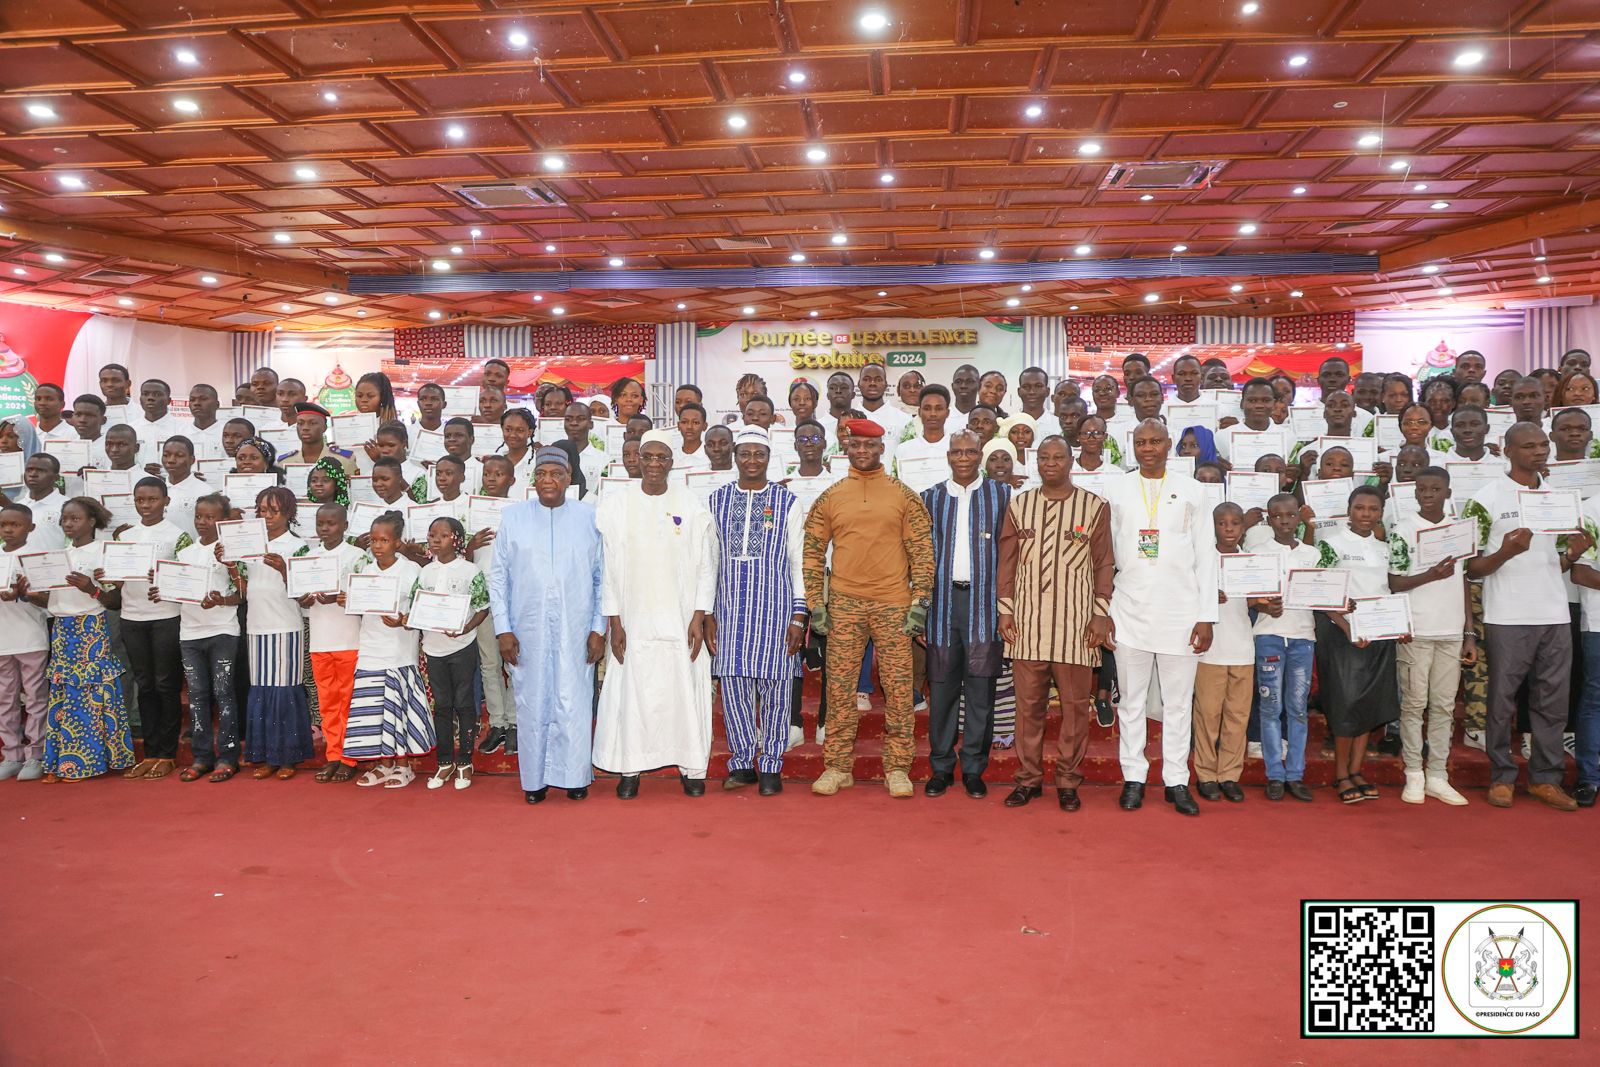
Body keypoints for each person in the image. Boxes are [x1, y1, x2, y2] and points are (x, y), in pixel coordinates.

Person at [802, 419, 934, 799]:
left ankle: (897, 767)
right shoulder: (831, 496)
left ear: (882, 449)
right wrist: (816, 604)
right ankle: (837, 767)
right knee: (840, 690)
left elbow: (922, 553)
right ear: (847, 447)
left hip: (894, 605)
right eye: (855, 445)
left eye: (869, 446)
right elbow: (812, 553)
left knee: (898, 690)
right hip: (843, 605)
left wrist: (919, 601)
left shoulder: (904, 496)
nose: (862, 451)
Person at [1100, 418, 1218, 816]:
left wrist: (1206, 616)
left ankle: (1176, 780)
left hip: (1181, 614)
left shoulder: (1194, 491)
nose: (1148, 448)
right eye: (1141, 442)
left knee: (1178, 704)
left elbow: (1207, 556)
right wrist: (1106, 611)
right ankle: (1133, 776)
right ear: (1132, 445)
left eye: (1155, 441)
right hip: (1130, 609)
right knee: (1131, 702)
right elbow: (1105, 557)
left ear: (1169, 444)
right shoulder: (1115, 490)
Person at [1462, 422, 1580, 810]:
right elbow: (1471, 568)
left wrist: (1574, 554)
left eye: (1542, 444)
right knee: (1502, 699)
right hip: (1507, 614)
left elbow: (1555, 561)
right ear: (1507, 450)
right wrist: (1505, 553)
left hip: (1554, 613)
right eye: (1528, 446)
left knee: (1552, 701)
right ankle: (1502, 776)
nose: (1539, 451)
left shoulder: (1559, 497)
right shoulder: (1486, 499)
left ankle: (1545, 779)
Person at [593, 432, 717, 799]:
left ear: (672, 462)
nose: (654, 464)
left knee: (684, 688)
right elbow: (609, 569)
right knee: (633, 690)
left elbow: (706, 566)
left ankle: (691, 766)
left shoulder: (691, 504)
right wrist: (614, 621)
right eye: (648, 456)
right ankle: (630, 768)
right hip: (633, 617)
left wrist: (699, 614)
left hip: (680, 618)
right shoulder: (617, 505)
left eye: (662, 457)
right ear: (636, 459)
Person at [993, 435, 1113, 810]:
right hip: (1026, 622)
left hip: (1075, 625)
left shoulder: (1094, 507)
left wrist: (1100, 614)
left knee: (1075, 707)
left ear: (1070, 461)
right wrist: (1005, 610)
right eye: (1043, 458)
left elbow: (1104, 563)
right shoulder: (1020, 505)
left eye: (1057, 457)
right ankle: (1027, 779)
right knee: (1028, 707)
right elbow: (1007, 562)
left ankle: (1067, 780)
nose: (1050, 464)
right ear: (1036, 463)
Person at [489, 447, 603, 805]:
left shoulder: (589, 517)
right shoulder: (513, 518)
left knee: (574, 698)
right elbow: (498, 578)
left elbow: (603, 577)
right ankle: (534, 780)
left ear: (569, 479)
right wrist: (503, 629)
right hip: (526, 627)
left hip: (577, 625)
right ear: (533, 479)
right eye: (542, 475)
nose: (548, 481)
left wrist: (598, 628)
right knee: (531, 700)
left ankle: (574, 775)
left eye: (556, 474)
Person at [707, 428, 806, 796]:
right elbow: (709, 561)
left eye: (758, 454)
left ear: (769, 457)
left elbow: (798, 562)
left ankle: (771, 766)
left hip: (776, 610)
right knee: (734, 691)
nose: (751, 460)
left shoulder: (787, 502)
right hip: (730, 611)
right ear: (735, 456)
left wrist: (799, 615)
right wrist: (707, 613)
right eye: (745, 453)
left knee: (778, 689)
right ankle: (743, 763)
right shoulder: (715, 501)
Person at [921, 430, 1008, 799]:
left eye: (971, 451)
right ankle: (941, 767)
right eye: (957, 451)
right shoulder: (930, 499)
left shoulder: (1003, 496)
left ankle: (973, 768)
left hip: (985, 607)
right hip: (941, 607)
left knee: (980, 692)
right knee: (941, 691)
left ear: (980, 454)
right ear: (948, 455)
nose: (963, 457)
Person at [1386, 467, 1472, 805]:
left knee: (1444, 706)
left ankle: (1438, 774)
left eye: (1436, 488)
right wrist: (1431, 575)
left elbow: (1463, 580)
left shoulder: (1461, 530)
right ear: (1415, 493)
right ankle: (1413, 773)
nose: (1428, 494)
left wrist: (1468, 632)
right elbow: (1395, 583)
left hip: (1451, 631)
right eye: (1422, 489)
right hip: (1416, 630)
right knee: (1413, 704)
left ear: (1448, 493)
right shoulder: (1403, 530)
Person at [36, 497, 134, 782]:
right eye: (65, 519)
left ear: (92, 521)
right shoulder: (57, 556)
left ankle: (91, 761)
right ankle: (60, 761)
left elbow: (114, 600)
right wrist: (29, 592)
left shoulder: (102, 552)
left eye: (75, 518)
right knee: (65, 695)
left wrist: (91, 588)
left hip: (90, 628)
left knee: (91, 696)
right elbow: (50, 598)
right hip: (62, 628)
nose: (68, 523)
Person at [1315, 485, 1400, 804]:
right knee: (1345, 703)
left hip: (1378, 633)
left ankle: (1356, 769)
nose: (1366, 514)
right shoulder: (1331, 544)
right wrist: (1345, 626)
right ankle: (1340, 774)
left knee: (1368, 704)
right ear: (1348, 510)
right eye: (1360, 508)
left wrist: (1397, 625)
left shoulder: (1386, 547)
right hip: (1341, 635)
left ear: (1381, 513)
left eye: (1373, 509)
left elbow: (1389, 590)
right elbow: (1321, 592)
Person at [221, 486, 312, 780]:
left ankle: (288, 756)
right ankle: (266, 755)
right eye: (263, 509)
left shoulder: (298, 546)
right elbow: (245, 592)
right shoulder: (249, 544)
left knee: (284, 691)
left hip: (286, 626)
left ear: (288, 512)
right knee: (261, 691)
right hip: (257, 626)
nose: (268, 516)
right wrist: (232, 566)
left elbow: (306, 595)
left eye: (275, 510)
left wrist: (286, 571)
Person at [341, 510, 433, 788]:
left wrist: (403, 621)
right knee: (374, 709)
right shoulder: (363, 571)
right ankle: (384, 764)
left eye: (384, 540)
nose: (377, 546)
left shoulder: (411, 571)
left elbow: (421, 611)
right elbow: (358, 608)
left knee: (397, 709)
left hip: (398, 651)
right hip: (370, 648)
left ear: (397, 542)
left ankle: (404, 766)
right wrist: (348, 599)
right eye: (373, 540)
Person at [161, 493, 242, 782]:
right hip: (190, 633)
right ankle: (202, 756)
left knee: (223, 693)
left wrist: (221, 599)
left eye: (210, 517)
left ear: (223, 520)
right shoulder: (184, 555)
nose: (203, 522)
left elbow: (242, 595)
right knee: (197, 696)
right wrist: (161, 588)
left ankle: (228, 756)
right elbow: (175, 591)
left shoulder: (230, 552)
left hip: (222, 631)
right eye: (199, 516)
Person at [111, 477, 188, 781]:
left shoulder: (178, 536)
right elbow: (115, 583)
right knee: (144, 685)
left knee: (166, 684)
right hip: (132, 617)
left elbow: (185, 577)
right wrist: (111, 576)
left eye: (152, 499)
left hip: (166, 616)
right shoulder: (125, 536)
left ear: (166, 501)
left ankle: (167, 754)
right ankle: (151, 751)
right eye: (140, 500)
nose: (145, 505)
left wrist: (164, 584)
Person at [1250, 493, 1320, 800]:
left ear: (1299, 517)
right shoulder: (1256, 551)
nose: (1284, 522)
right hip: (1269, 635)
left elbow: (1321, 593)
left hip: (1303, 637)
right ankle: (1274, 774)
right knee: (1270, 706)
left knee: (1298, 708)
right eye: (1277, 516)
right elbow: (1249, 596)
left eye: (1290, 516)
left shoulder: (1312, 554)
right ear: (1268, 519)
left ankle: (1295, 773)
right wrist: (1264, 606)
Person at [1192, 503, 1258, 804]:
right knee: (1208, 714)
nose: (1229, 528)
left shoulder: (1253, 562)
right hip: (1210, 651)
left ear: (1244, 527)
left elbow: (1259, 600)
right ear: (1213, 527)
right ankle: (1206, 774)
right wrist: (1204, 597)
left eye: (1235, 523)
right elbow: (1185, 597)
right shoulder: (1203, 562)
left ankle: (1229, 774)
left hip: (1243, 647)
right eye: (1222, 523)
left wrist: (1264, 602)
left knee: (1238, 716)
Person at [418, 516, 490, 791]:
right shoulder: (425, 572)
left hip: (462, 647)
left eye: (443, 535)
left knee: (464, 704)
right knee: (442, 705)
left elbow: (483, 607)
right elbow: (418, 604)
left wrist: (465, 627)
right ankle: (444, 761)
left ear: (457, 540)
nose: (436, 540)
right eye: (432, 535)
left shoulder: (470, 571)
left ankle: (465, 762)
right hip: (433, 648)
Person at [297, 501, 366, 783]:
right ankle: (333, 755)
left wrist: (342, 596)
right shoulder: (308, 557)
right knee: (327, 702)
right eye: (320, 524)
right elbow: (299, 592)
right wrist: (302, 597)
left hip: (348, 638)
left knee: (348, 701)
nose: (325, 529)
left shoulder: (358, 556)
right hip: (320, 640)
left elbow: (367, 594)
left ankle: (350, 758)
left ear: (345, 526)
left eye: (332, 523)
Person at [468, 456, 518, 757]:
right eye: (487, 473)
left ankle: (514, 723)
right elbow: (459, 556)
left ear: (511, 481)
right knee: (489, 663)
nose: (491, 479)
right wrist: (470, 546)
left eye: (499, 474)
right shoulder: (471, 512)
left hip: (514, 598)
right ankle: (496, 723)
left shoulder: (520, 513)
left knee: (514, 663)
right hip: (484, 599)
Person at [0, 502, 48, 781]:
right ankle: (11, 753)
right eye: (4, 524)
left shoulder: (35, 558)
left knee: (35, 698)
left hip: (31, 638)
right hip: (3, 639)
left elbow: (49, 600)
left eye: (15, 524)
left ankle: (36, 754)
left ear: (30, 528)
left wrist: (24, 594)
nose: (8, 529)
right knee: (5, 699)